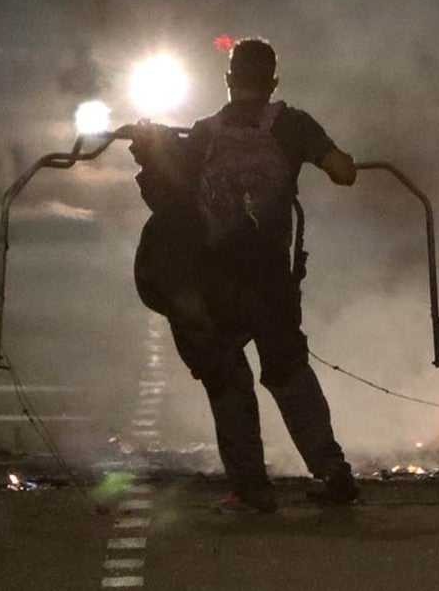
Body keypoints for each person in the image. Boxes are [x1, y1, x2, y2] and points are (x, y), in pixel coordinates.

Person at [130, 38, 360, 513]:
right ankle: (332, 468)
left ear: (229, 80)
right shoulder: (293, 125)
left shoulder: (204, 133)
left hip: (217, 281)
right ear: (274, 82)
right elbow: (344, 172)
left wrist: (154, 149)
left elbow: (170, 202)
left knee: (228, 377)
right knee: (290, 371)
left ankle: (253, 489)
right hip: (271, 280)